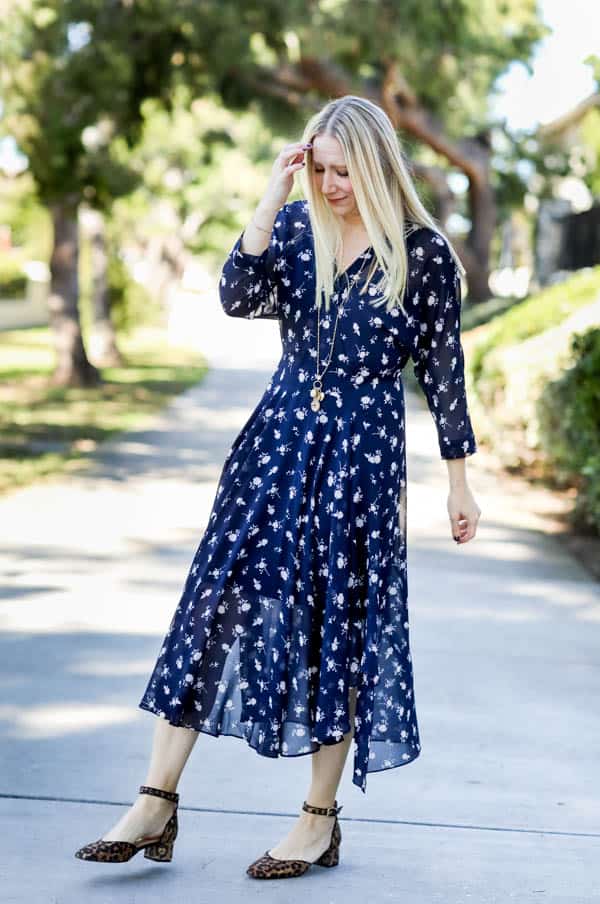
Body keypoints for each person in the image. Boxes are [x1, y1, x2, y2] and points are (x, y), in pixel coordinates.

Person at [75, 94, 481, 879]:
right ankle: (156, 799)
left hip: (362, 460)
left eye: (343, 171)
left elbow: (444, 376)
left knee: (339, 627)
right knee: (214, 603)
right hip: (276, 444)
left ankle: (318, 819)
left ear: (375, 165)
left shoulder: (423, 255)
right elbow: (236, 295)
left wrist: (459, 483)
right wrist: (272, 197)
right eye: (320, 169)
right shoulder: (297, 232)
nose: (331, 185)